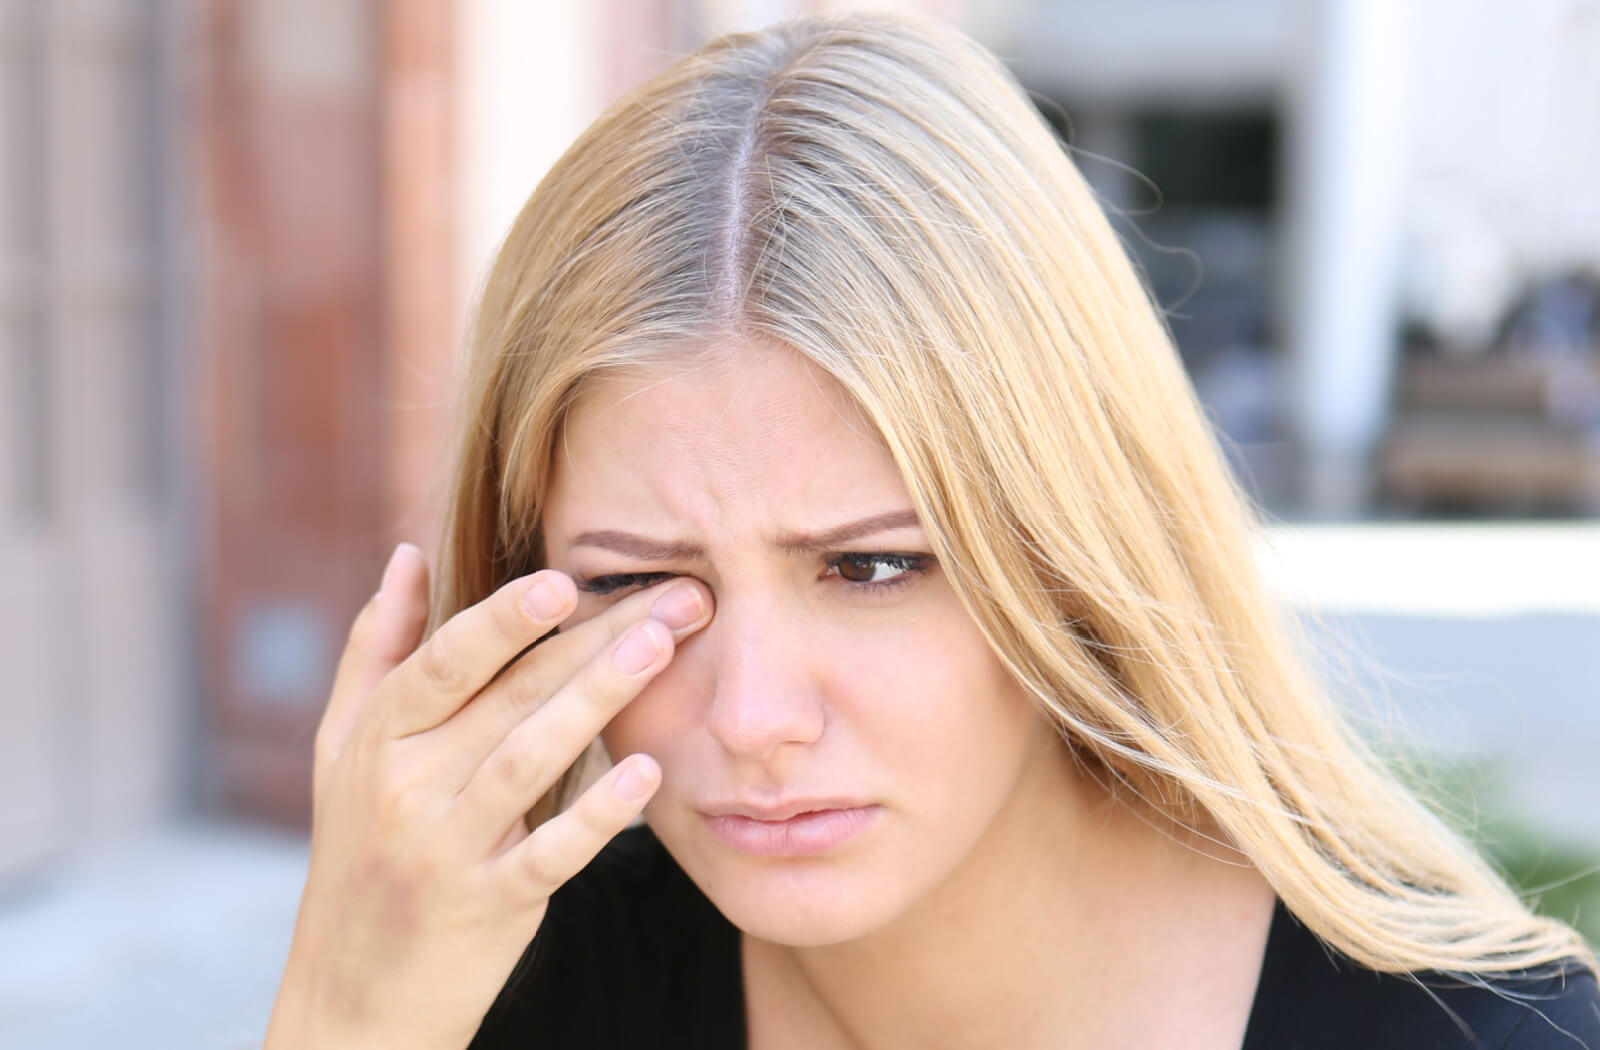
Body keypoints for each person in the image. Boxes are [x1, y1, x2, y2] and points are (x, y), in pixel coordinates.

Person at [264, 13, 1600, 1050]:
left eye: (872, 564)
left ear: (1074, 547)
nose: (754, 714)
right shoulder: (512, 986)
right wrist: (341, 1014)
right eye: (636, 584)